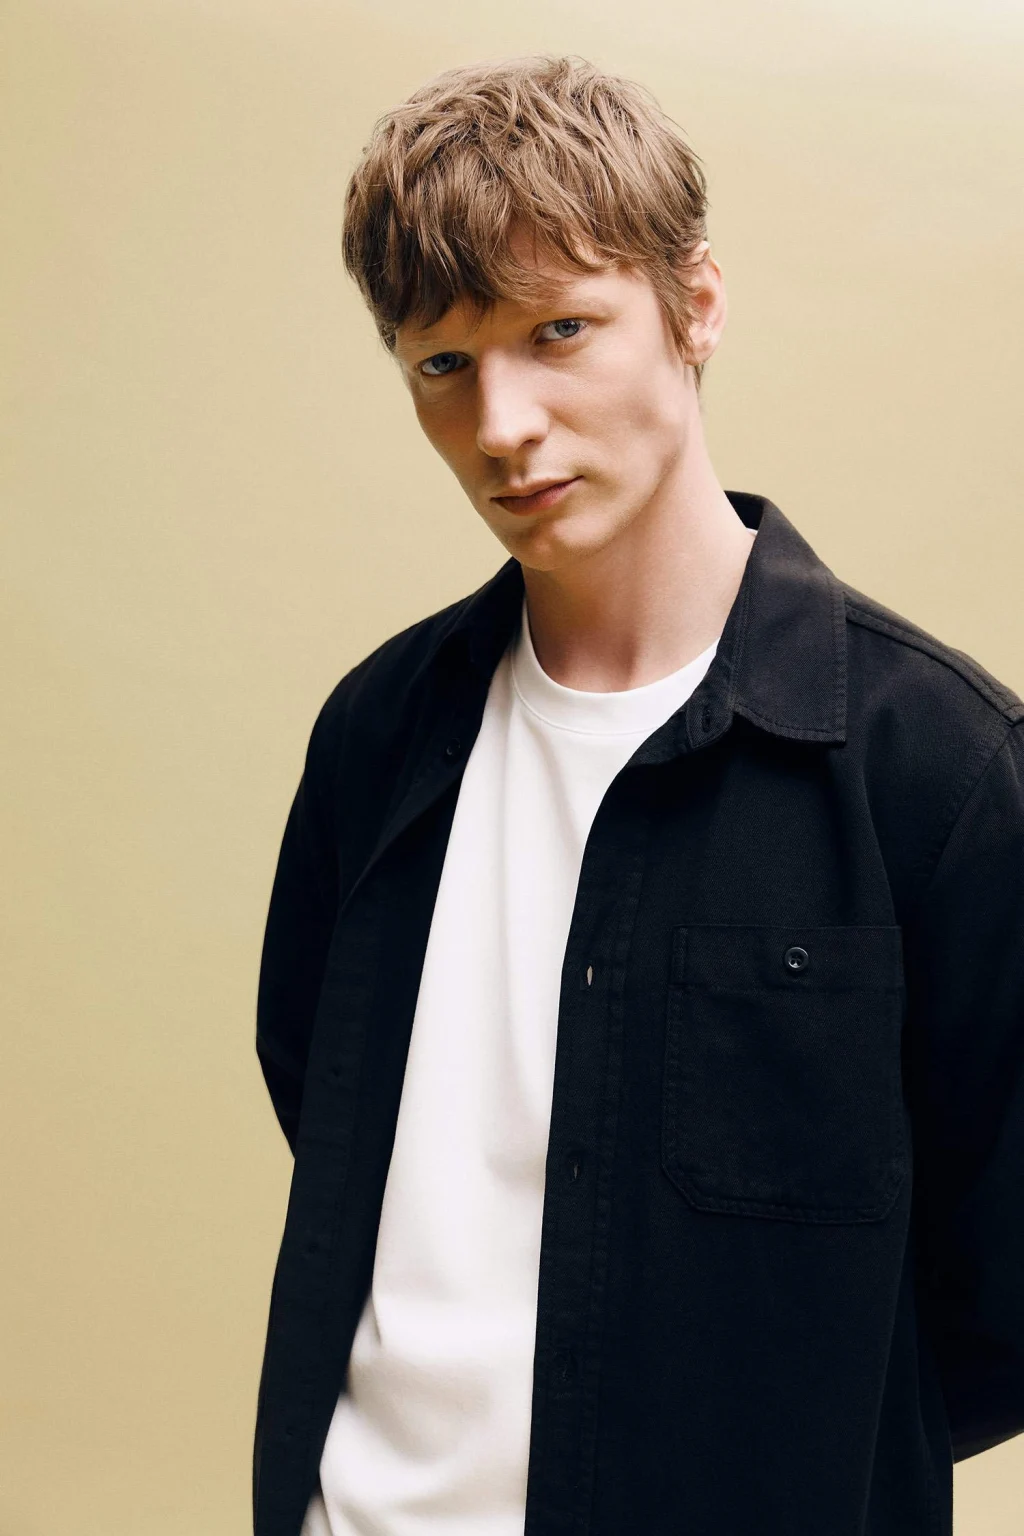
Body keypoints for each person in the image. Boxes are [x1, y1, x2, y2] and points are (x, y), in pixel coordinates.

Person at [252, 53, 1024, 1536]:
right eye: (442, 364)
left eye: (560, 331)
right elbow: (331, 1113)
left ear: (696, 305)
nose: (503, 425)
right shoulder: (378, 735)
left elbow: (1001, 1293)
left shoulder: (940, 764)